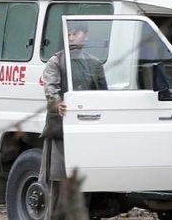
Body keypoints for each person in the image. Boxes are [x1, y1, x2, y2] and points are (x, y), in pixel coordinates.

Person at [40, 22, 106, 219]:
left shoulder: (94, 63)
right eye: (77, 33)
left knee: (84, 183)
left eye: (82, 33)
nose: (80, 37)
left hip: (87, 131)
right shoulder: (57, 61)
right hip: (62, 131)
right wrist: (57, 103)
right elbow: (50, 88)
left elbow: (103, 93)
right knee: (59, 183)